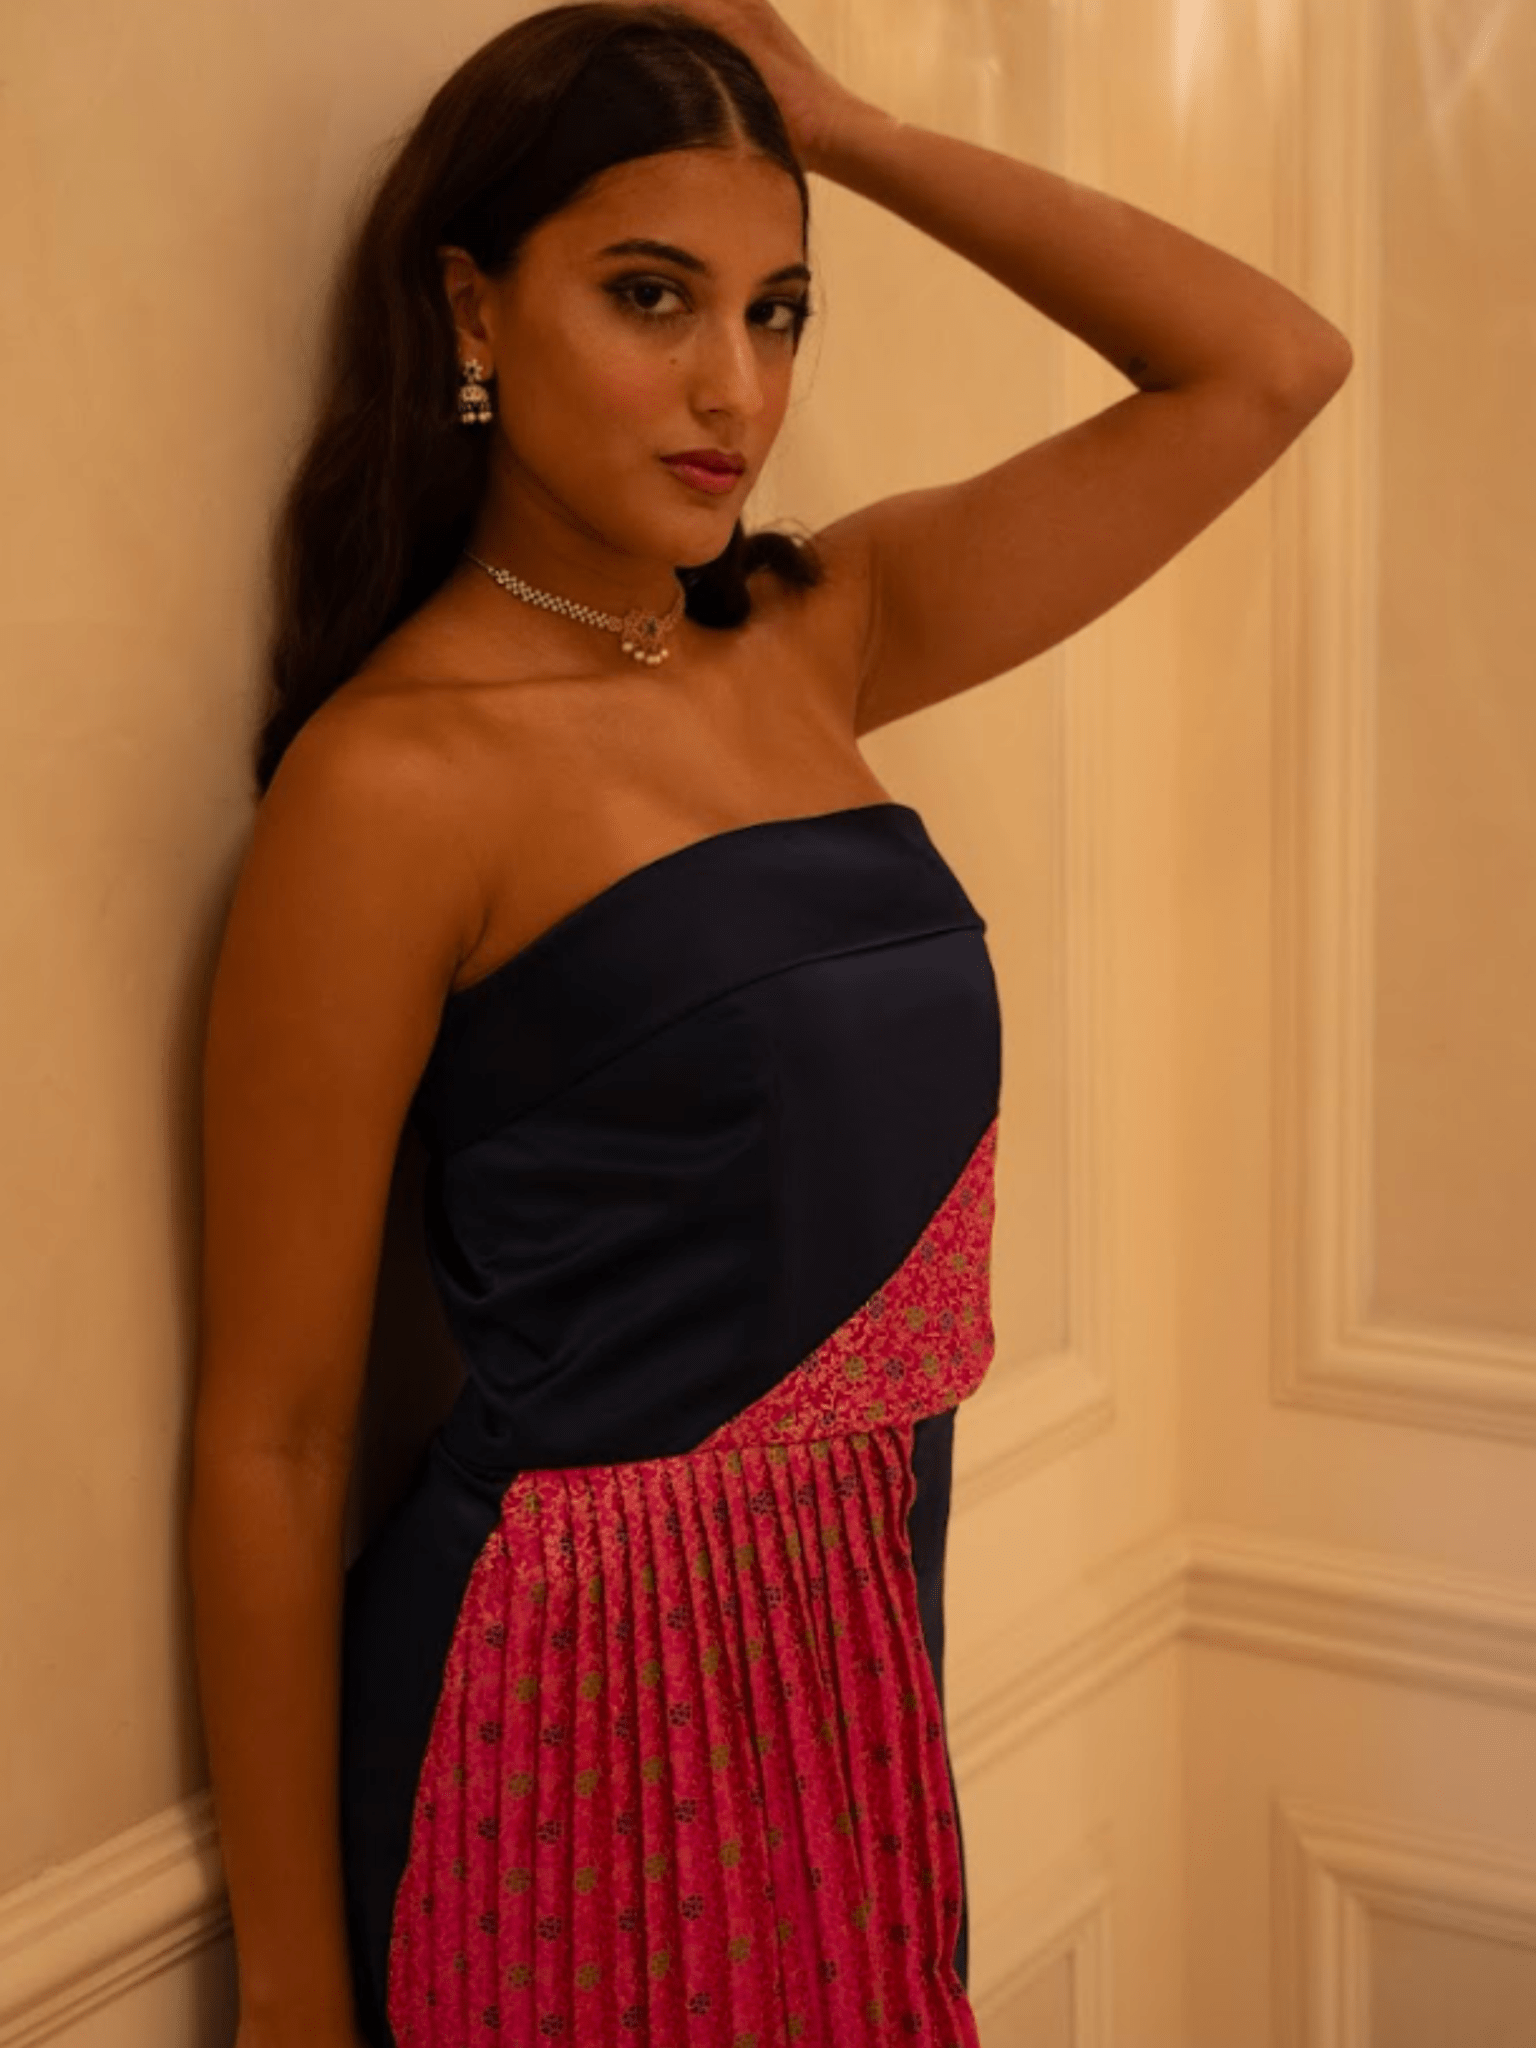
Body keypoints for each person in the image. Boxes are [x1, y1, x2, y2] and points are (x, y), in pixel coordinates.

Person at [186, 3, 1351, 2044]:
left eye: (781, 310)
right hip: (555, 1706)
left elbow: (1263, 364)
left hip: (848, 1657)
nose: (737, 386)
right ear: (475, 304)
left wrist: (847, 127)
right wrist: (291, 1994)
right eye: (655, 297)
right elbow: (275, 1437)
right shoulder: (391, 787)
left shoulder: (821, 638)